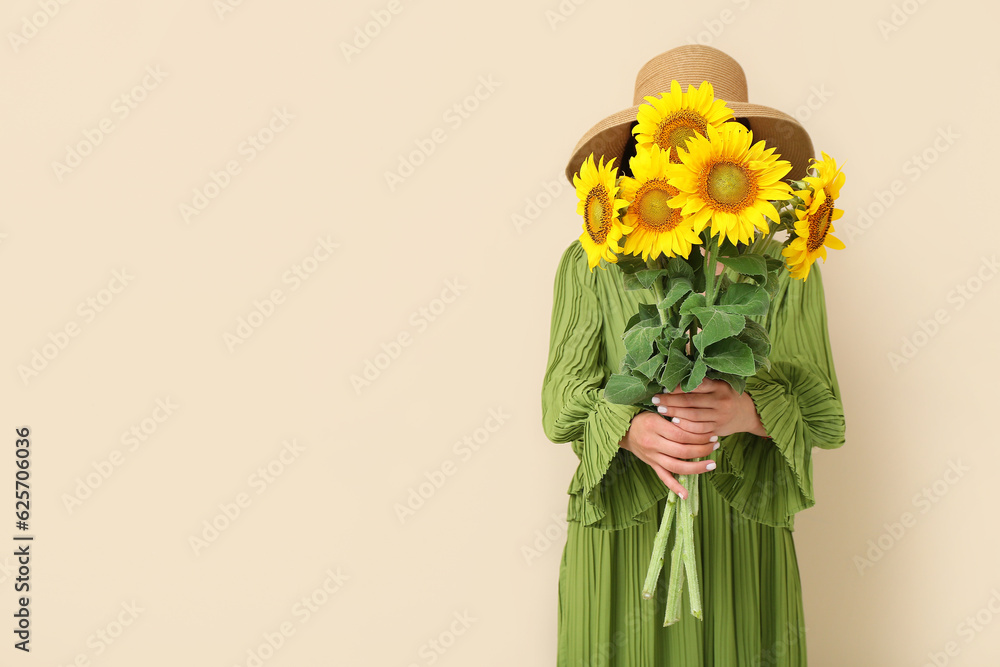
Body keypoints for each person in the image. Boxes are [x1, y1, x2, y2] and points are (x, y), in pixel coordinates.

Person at [540, 45, 846, 665]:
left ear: (736, 149)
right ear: (639, 152)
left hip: (740, 529)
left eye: (709, 138)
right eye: (671, 143)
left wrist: (743, 411)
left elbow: (823, 413)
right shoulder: (590, 260)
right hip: (625, 534)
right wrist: (630, 428)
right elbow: (559, 404)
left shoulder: (786, 268)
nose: (687, 160)